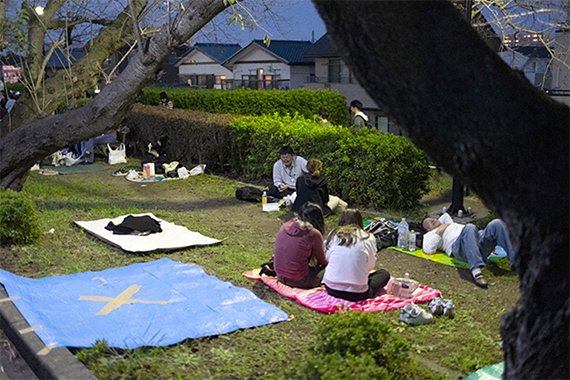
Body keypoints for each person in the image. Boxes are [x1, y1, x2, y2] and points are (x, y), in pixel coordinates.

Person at [422, 213, 515, 288]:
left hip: (476, 239)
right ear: (427, 230)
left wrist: (441, 224)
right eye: (427, 222)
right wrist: (439, 231)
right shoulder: (430, 235)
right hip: (460, 247)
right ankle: (476, 271)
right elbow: (428, 249)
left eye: (431, 218)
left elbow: (445, 215)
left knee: (497, 223)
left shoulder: (447, 223)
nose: (431, 220)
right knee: (470, 227)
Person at [322, 209, 390, 301]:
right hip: (358, 293)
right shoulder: (368, 237)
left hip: (331, 288)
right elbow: (370, 266)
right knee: (384, 274)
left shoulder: (334, 234)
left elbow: (328, 258)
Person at [273, 202, 328, 289]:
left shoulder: (285, 226)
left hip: (280, 275)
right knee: (330, 271)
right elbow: (322, 262)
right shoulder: (313, 233)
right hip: (299, 280)